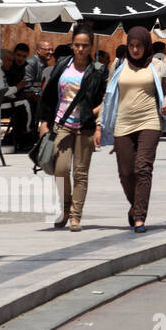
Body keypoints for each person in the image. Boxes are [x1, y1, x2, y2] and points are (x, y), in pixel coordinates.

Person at [99, 27, 166, 233]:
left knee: (142, 168)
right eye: (131, 46)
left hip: (149, 121)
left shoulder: (157, 66)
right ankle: (134, 207)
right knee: (125, 173)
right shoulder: (119, 66)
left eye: (139, 46)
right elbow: (108, 96)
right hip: (123, 123)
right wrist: (99, 124)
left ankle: (139, 216)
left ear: (146, 45)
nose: (134, 50)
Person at [36, 22, 108, 232]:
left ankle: (75, 215)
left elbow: (105, 98)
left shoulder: (98, 70)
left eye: (85, 45)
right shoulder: (63, 65)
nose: (80, 49)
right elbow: (48, 95)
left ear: (91, 46)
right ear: (72, 45)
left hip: (85, 126)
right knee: (60, 170)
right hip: (62, 124)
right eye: (77, 45)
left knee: (81, 173)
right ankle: (65, 208)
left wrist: (96, 120)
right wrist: (43, 122)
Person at [0, 49, 34, 149]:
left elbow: (5, 91)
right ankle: (26, 133)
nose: (10, 63)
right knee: (24, 104)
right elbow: (1, 92)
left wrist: (16, 96)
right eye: (9, 60)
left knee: (21, 105)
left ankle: (17, 137)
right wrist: (18, 87)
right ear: (1, 60)